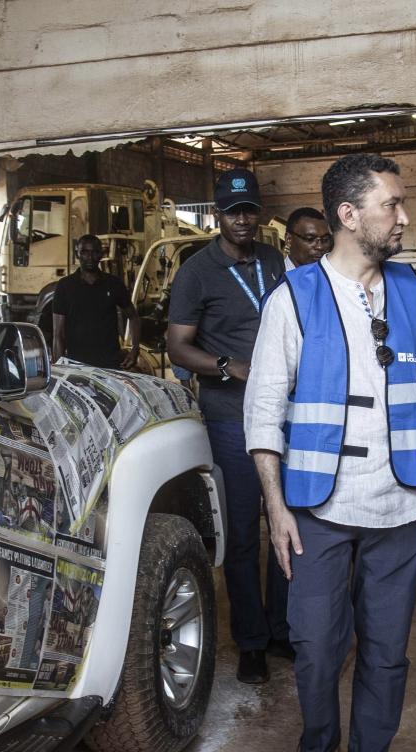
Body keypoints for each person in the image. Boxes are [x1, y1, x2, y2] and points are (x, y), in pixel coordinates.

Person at [245, 153, 416, 752]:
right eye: (391, 204)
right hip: (316, 506)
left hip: (399, 504)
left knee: (386, 650)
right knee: (315, 645)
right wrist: (276, 507)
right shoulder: (294, 298)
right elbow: (263, 411)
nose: (405, 217)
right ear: (349, 214)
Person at [167, 169, 290, 685]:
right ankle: (251, 641)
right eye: (232, 211)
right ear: (217, 215)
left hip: (282, 412)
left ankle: (281, 629)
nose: (242, 219)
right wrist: (227, 366)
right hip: (230, 417)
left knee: (288, 521)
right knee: (241, 534)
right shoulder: (196, 272)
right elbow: (177, 347)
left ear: (259, 213)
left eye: (249, 210)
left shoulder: (273, 260)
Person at [51, 234, 139, 370]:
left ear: (101, 255)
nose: (90, 257)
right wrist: (58, 369)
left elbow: (133, 317)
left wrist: (135, 349)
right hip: (77, 365)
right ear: (77, 254)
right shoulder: (65, 286)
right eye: (84, 252)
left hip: (110, 364)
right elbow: (58, 334)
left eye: (95, 252)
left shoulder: (114, 284)